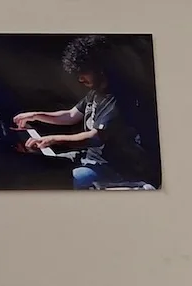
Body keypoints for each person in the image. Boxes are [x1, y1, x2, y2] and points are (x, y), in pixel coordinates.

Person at [12, 35, 149, 189]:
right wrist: (35, 115)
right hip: (87, 158)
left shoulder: (120, 97)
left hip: (112, 169)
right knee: (36, 168)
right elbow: (70, 115)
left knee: (55, 182)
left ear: (100, 68)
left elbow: (95, 137)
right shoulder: (95, 92)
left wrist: (51, 139)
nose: (80, 79)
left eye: (83, 72)